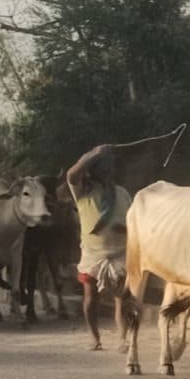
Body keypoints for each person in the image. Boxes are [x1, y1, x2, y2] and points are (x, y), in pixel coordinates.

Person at [64, 143, 137, 349]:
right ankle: (94, 337)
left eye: (110, 166)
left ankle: (123, 339)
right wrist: (95, 153)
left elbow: (132, 221)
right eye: (103, 166)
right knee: (90, 298)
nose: (107, 170)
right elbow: (71, 174)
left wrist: (124, 228)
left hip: (120, 253)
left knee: (122, 299)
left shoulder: (122, 193)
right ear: (93, 168)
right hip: (93, 254)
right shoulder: (82, 191)